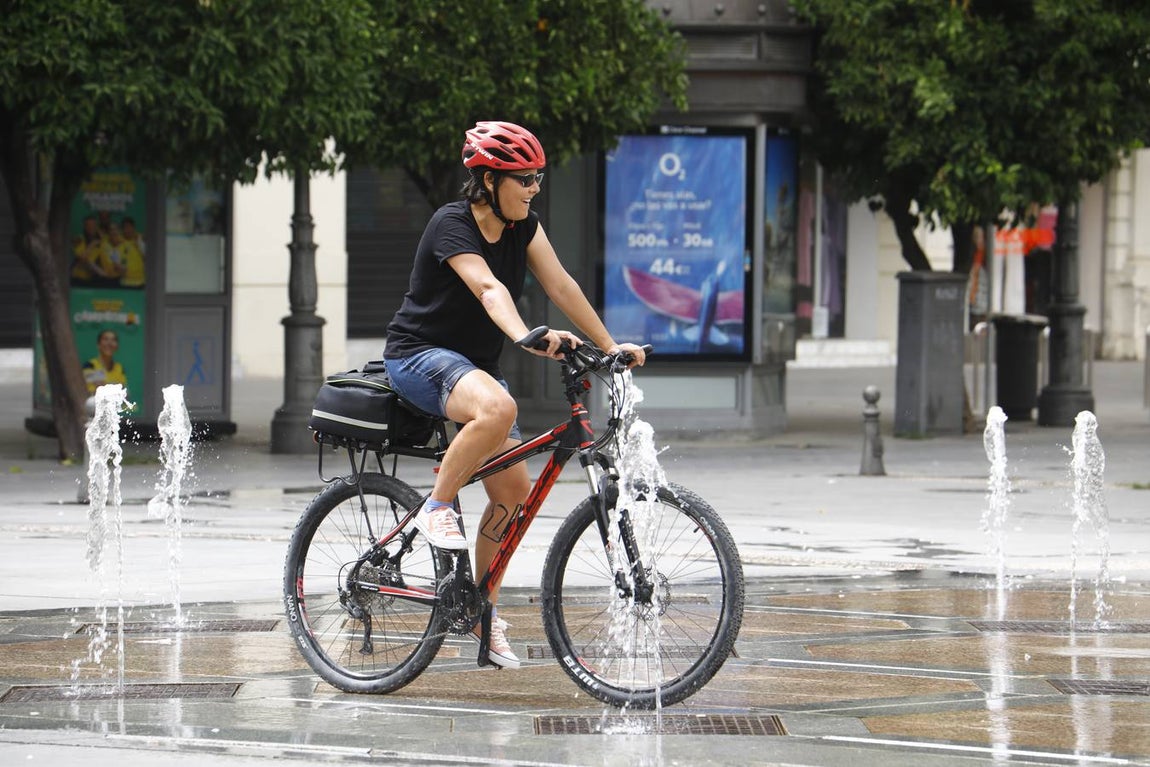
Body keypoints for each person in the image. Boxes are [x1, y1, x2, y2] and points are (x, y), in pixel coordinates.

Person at [383, 121, 646, 669]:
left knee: (512, 495)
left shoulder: (525, 227)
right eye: (521, 178)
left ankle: (479, 608)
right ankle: (436, 506)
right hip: (418, 357)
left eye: (537, 178)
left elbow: (562, 285)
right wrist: (526, 334)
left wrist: (609, 346)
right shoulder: (450, 224)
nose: (532, 188)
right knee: (499, 406)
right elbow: (487, 287)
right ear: (486, 179)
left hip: (474, 368)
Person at [83, 329, 128, 395]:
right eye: (105, 339)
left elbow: (123, 392)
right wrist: (114, 386)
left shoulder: (119, 368)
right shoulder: (89, 365)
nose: (109, 343)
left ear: (117, 346)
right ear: (98, 344)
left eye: (113, 340)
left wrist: (104, 385)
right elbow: (93, 392)